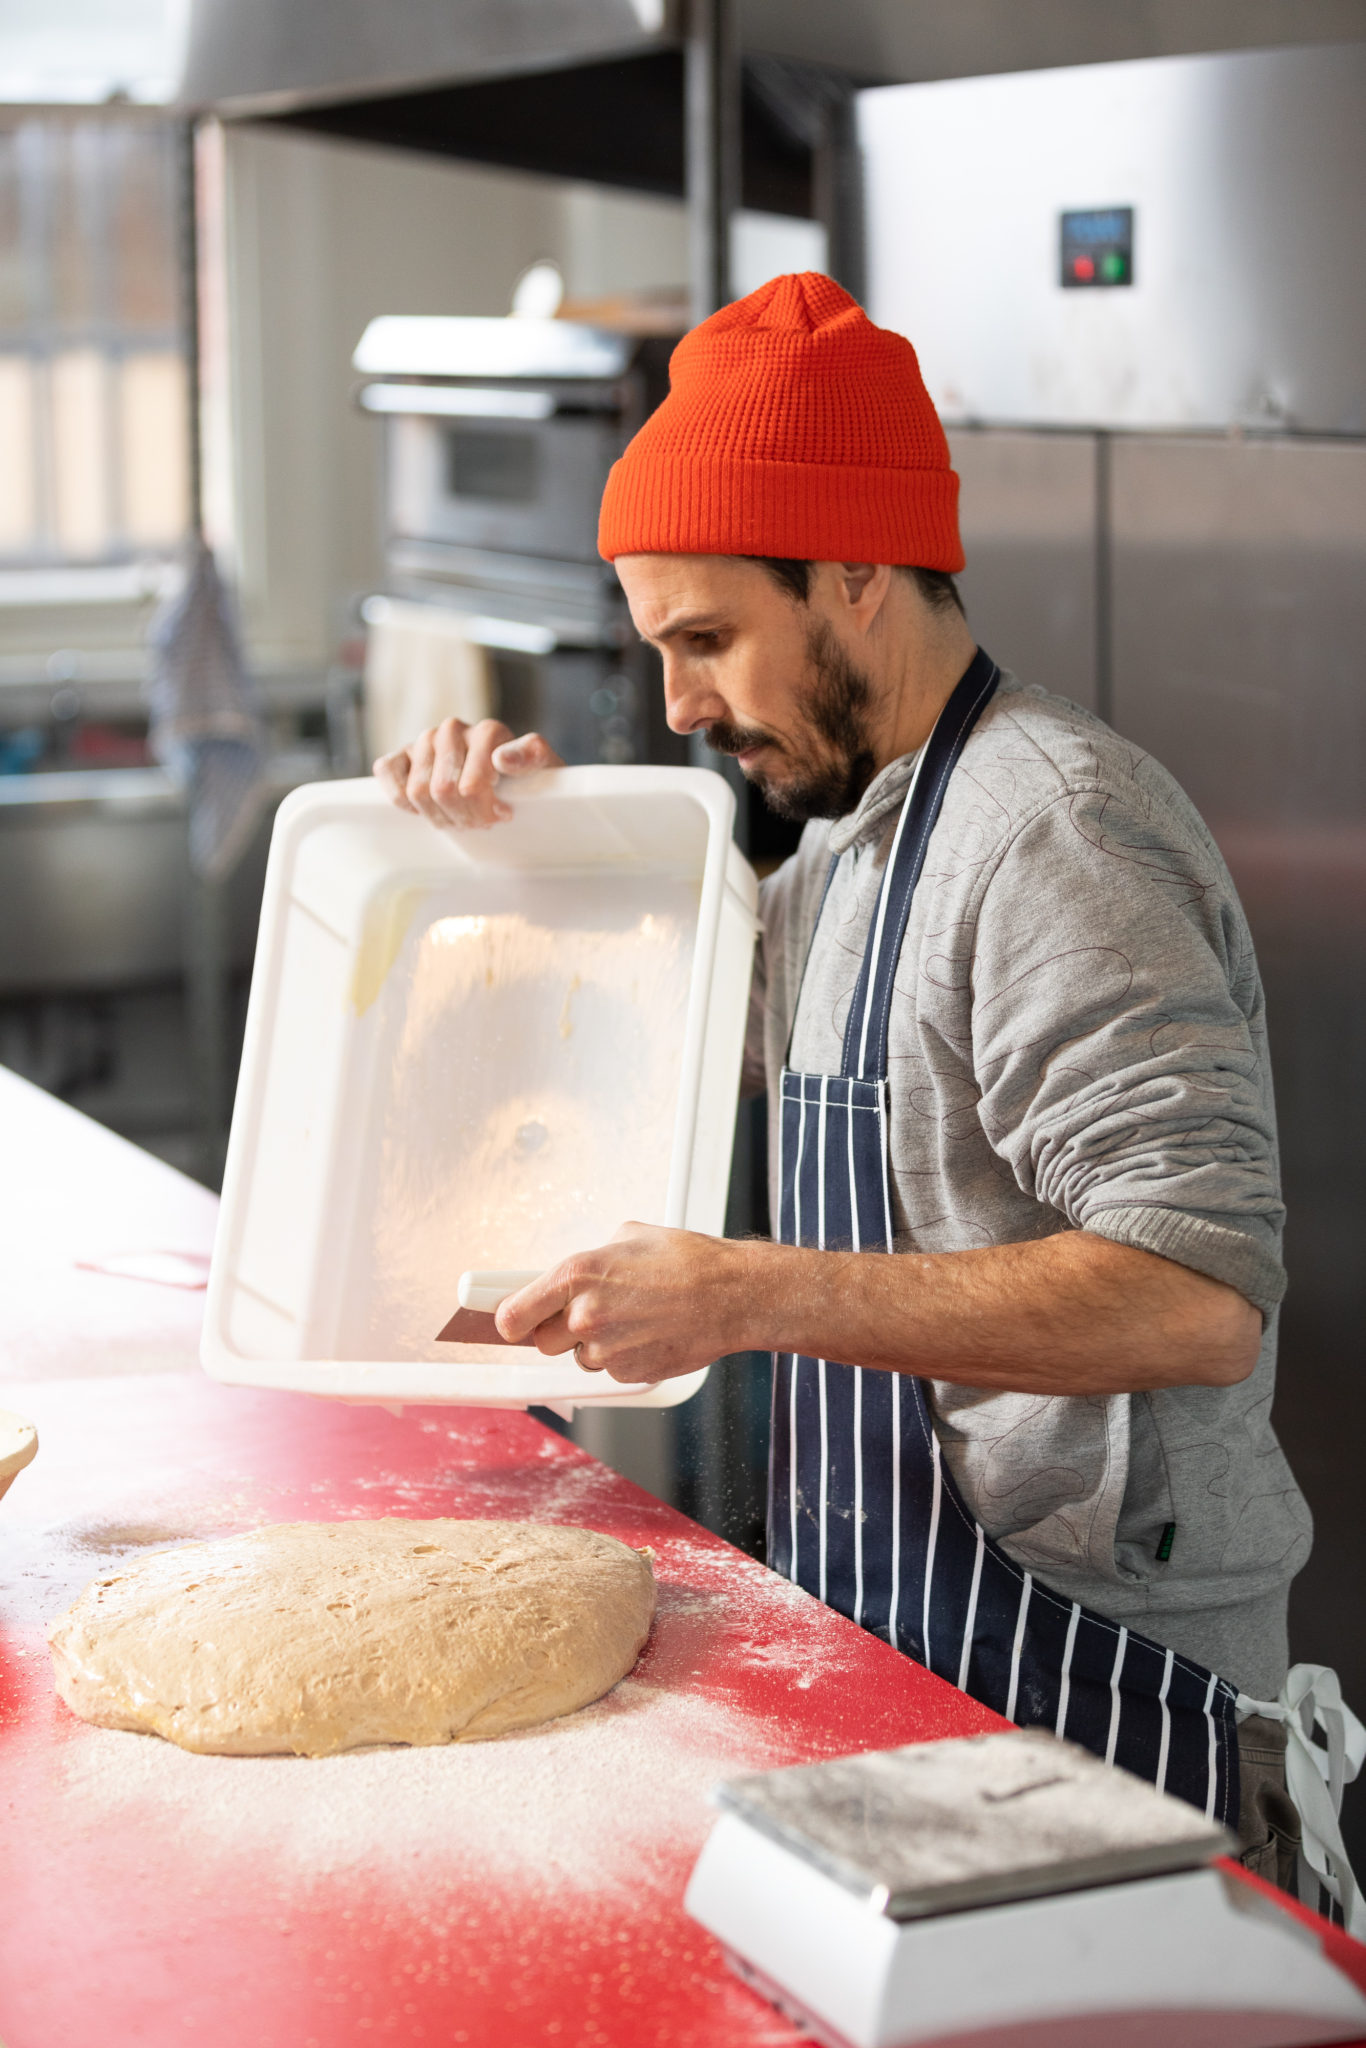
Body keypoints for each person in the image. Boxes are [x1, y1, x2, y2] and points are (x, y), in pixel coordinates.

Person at [375, 273, 1316, 1882]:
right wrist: (539, 857)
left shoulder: (1047, 836)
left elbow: (1190, 1298)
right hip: (903, 1638)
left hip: (1099, 1685)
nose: (678, 704)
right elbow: (664, 1051)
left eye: (707, 638)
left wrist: (745, 1294)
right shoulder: (855, 847)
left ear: (857, 571)